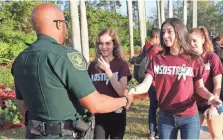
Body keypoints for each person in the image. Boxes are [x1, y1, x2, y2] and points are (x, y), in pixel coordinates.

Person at [11, 3, 133, 139]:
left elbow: (22, 107)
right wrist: (124, 100)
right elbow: (95, 104)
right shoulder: (65, 57)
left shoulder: (21, 59)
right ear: (59, 24)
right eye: (65, 23)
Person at [125, 18, 222, 139]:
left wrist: (211, 97)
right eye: (163, 32)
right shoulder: (157, 59)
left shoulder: (194, 59)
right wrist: (132, 90)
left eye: (169, 31)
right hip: (166, 117)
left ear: (179, 32)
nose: (165, 36)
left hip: (190, 117)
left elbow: (200, 88)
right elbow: (146, 84)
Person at [88, 28, 132, 139]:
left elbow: (121, 91)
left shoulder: (122, 64)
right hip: (100, 113)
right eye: (101, 44)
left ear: (114, 44)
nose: (104, 47)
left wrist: (108, 71)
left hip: (117, 113)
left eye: (108, 43)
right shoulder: (93, 66)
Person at [190, 27, 223, 139]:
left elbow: (217, 85)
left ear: (203, 40)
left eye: (194, 40)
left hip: (212, 102)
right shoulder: (189, 59)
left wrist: (213, 106)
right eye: (189, 40)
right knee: (192, 136)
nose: (191, 43)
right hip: (195, 105)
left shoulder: (212, 58)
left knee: (216, 137)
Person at [144, 28, 163, 139]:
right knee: (161, 109)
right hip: (158, 83)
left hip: (149, 82)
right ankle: (159, 132)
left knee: (152, 108)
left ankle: (152, 132)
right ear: (156, 36)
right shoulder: (157, 49)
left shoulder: (146, 47)